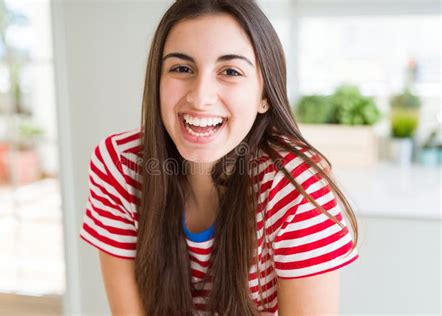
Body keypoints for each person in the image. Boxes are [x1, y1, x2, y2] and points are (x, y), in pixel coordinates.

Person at [79, 0, 359, 315]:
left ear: (264, 96)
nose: (200, 97)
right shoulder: (119, 164)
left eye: (230, 71)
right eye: (181, 68)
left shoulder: (296, 186)